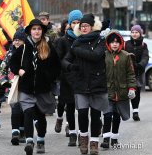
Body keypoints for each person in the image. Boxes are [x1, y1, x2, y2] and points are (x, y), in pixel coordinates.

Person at [10, 19, 61, 155]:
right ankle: (29, 142)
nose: (36, 31)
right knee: (27, 114)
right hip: (26, 89)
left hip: (42, 90)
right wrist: (18, 71)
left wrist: (48, 77)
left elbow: (57, 66)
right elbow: (12, 63)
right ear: (30, 31)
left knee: (40, 116)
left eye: (39, 29)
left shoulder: (48, 47)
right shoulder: (24, 47)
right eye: (34, 29)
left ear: (42, 31)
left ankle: (41, 140)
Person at [63, 13, 108, 155]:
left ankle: (94, 142)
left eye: (86, 26)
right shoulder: (76, 42)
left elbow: (95, 56)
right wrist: (71, 68)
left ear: (92, 27)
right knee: (82, 114)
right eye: (81, 26)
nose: (83, 28)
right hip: (81, 84)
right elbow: (65, 61)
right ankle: (83, 139)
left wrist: (76, 50)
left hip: (97, 83)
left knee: (95, 115)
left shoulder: (101, 41)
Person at [101, 31, 136, 149]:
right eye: (112, 42)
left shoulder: (126, 56)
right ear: (108, 43)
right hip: (107, 90)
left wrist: (131, 88)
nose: (114, 44)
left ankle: (114, 139)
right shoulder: (104, 55)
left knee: (116, 116)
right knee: (107, 115)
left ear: (120, 43)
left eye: (117, 42)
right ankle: (105, 138)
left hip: (121, 92)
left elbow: (131, 74)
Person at [55, 9, 82, 146]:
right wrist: (67, 71)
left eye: (79, 22)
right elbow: (59, 60)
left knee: (83, 108)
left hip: (83, 79)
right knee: (69, 107)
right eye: (74, 22)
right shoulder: (63, 41)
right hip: (67, 79)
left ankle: (84, 134)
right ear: (70, 24)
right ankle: (72, 133)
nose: (76, 25)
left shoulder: (85, 39)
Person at [0, 27, 26, 145]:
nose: (16, 42)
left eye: (19, 40)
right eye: (15, 40)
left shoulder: (28, 54)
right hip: (12, 86)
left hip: (25, 86)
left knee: (24, 110)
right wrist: (4, 81)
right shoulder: (9, 54)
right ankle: (15, 132)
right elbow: (2, 69)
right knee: (15, 109)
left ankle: (23, 131)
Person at [124, 25, 149, 121]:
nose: (134, 34)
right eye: (133, 32)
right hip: (126, 71)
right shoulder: (126, 44)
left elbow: (145, 57)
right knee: (125, 91)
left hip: (138, 71)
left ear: (140, 34)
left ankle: (135, 111)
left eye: (136, 32)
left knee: (136, 91)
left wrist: (141, 64)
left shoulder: (143, 45)